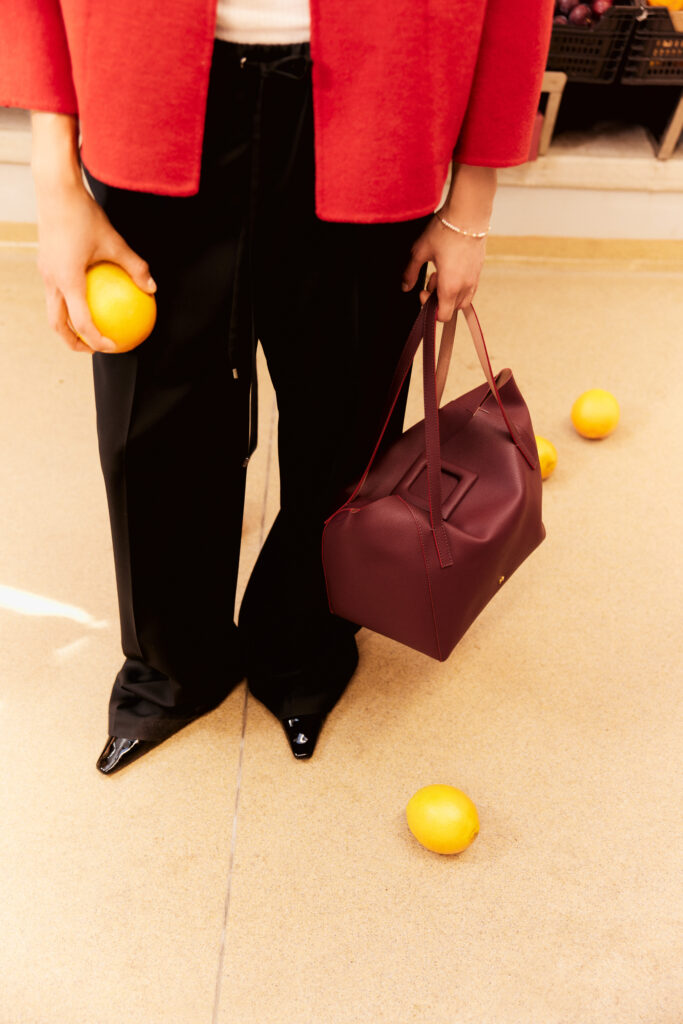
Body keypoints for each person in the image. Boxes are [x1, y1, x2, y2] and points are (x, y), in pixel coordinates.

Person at [0, 0, 554, 773]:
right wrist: (54, 179)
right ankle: (171, 666)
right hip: (144, 86)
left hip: (385, 97)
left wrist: (471, 205)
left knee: (347, 414)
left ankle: (305, 650)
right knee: (153, 421)